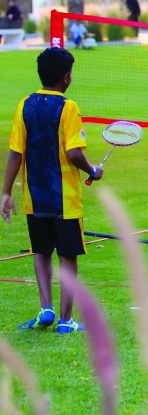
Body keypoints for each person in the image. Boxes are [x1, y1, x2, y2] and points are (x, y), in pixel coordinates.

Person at [1, 48, 103, 333]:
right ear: (66, 78)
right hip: (65, 201)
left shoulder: (24, 105)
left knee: (41, 252)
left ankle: (45, 307)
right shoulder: (68, 108)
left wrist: (6, 191)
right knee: (67, 256)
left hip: (35, 198)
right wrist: (93, 170)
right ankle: (66, 320)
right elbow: (73, 152)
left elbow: (14, 153)